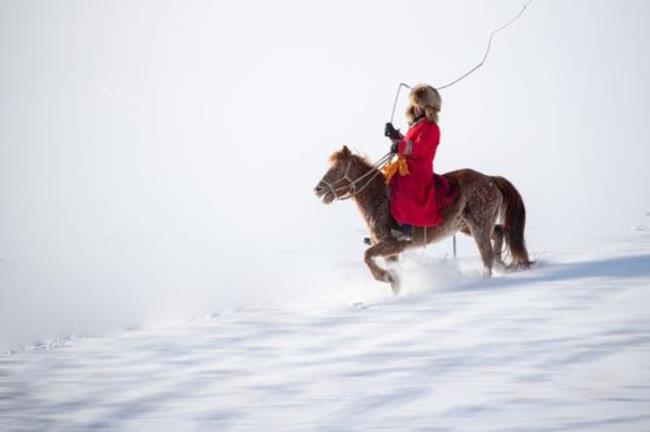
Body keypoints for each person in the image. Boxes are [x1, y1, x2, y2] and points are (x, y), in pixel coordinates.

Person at [384, 84, 456, 241]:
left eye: (419, 106)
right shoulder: (415, 126)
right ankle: (387, 227)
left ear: (427, 108)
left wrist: (400, 145)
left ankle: (406, 229)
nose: (416, 109)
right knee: (386, 186)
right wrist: (394, 135)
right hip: (405, 167)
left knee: (405, 190)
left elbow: (418, 148)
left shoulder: (431, 128)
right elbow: (406, 144)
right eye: (415, 105)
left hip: (418, 171)